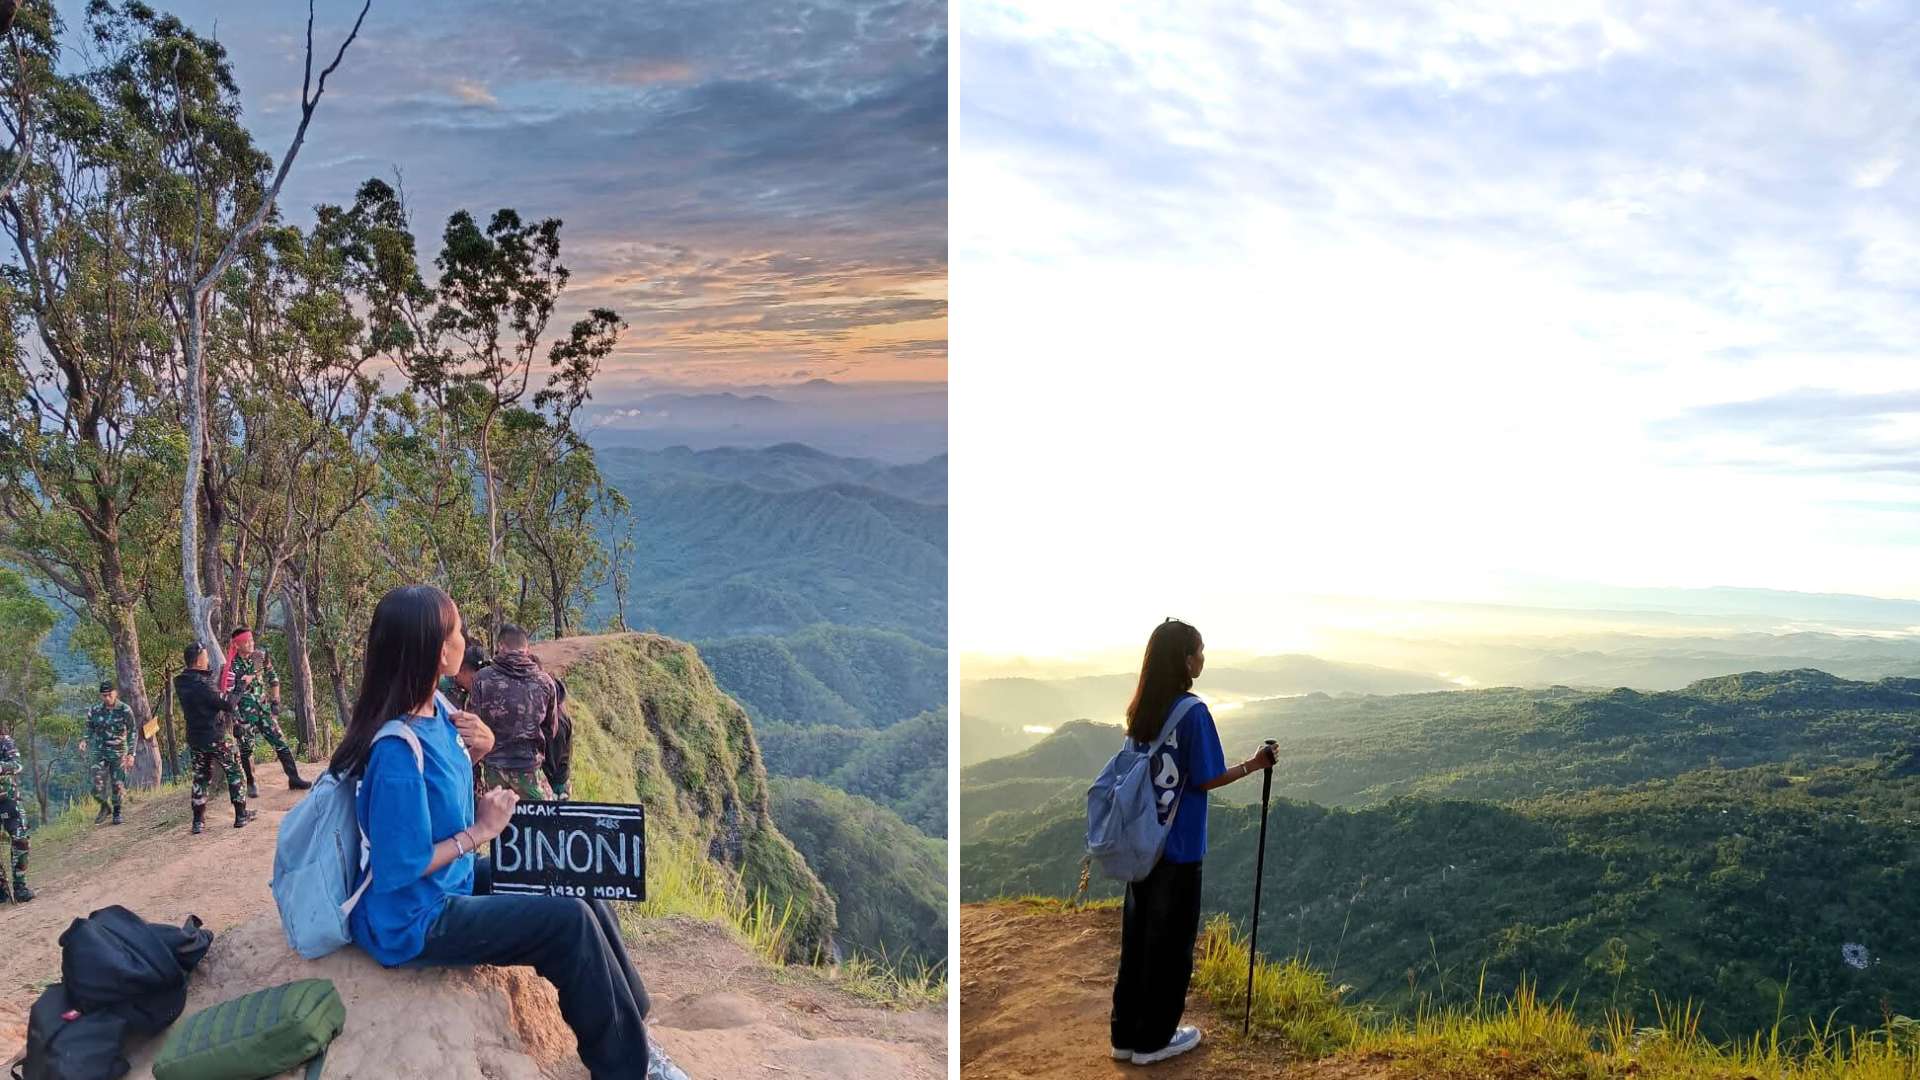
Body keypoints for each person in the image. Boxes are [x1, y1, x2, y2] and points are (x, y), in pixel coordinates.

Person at [330, 585, 685, 1080]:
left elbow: (436, 798)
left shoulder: (436, 706)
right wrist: (481, 830)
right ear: (437, 650)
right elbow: (397, 867)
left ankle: (636, 1033)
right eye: (457, 632)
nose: (464, 639)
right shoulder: (394, 751)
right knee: (566, 923)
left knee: (576, 886)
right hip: (414, 918)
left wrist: (480, 749)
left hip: (447, 881)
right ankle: (629, 1069)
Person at [1109, 618, 1276, 1066]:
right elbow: (1204, 778)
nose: (1203, 658)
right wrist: (1255, 764)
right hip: (1179, 847)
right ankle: (1154, 1041)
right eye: (1199, 651)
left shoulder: (1143, 709)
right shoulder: (1193, 712)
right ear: (1185, 660)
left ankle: (1125, 1036)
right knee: (1172, 946)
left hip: (1142, 844)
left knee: (1139, 940)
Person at [467, 624, 557, 801]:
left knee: (498, 825)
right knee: (542, 823)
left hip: (493, 772)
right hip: (529, 770)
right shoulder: (545, 682)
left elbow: (473, 727)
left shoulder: (482, 679)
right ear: (526, 648)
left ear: (500, 646)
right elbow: (551, 729)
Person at [174, 642, 255, 835]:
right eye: (205, 656)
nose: (208, 659)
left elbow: (211, 697)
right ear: (199, 661)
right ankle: (241, 815)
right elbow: (228, 704)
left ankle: (198, 821)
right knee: (235, 771)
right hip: (215, 736)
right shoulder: (202, 685)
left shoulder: (182, 682)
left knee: (201, 777)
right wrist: (242, 685)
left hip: (195, 738)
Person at [232, 648, 311, 796]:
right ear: (238, 644)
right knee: (246, 749)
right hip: (245, 714)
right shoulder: (232, 663)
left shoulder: (260, 656)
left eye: (251, 641)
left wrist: (275, 701)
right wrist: (235, 719)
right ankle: (251, 783)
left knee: (280, 742)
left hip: (263, 711)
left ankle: (294, 779)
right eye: (246, 641)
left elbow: (273, 678)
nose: (250, 644)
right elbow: (229, 692)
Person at [84, 681, 135, 826]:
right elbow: (89, 727)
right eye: (104, 695)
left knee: (117, 784)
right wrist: (84, 740)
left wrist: (131, 753)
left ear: (115, 693)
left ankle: (117, 812)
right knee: (96, 784)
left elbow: (133, 731)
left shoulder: (125, 710)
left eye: (109, 695)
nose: (107, 698)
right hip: (100, 751)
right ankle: (104, 807)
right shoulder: (95, 710)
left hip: (119, 752)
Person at [0, 734, 32, 902]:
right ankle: (1, 891)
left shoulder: (4, 741)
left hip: (8, 799)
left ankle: (20, 886)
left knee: (20, 840)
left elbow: (17, 765)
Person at [543, 677, 574, 801]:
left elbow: (552, 761)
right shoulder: (557, 715)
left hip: (555, 782)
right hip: (557, 777)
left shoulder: (556, 724)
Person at [439, 643, 489, 712]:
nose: (481, 683)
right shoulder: (442, 688)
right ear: (463, 669)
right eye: (477, 678)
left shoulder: (472, 691)